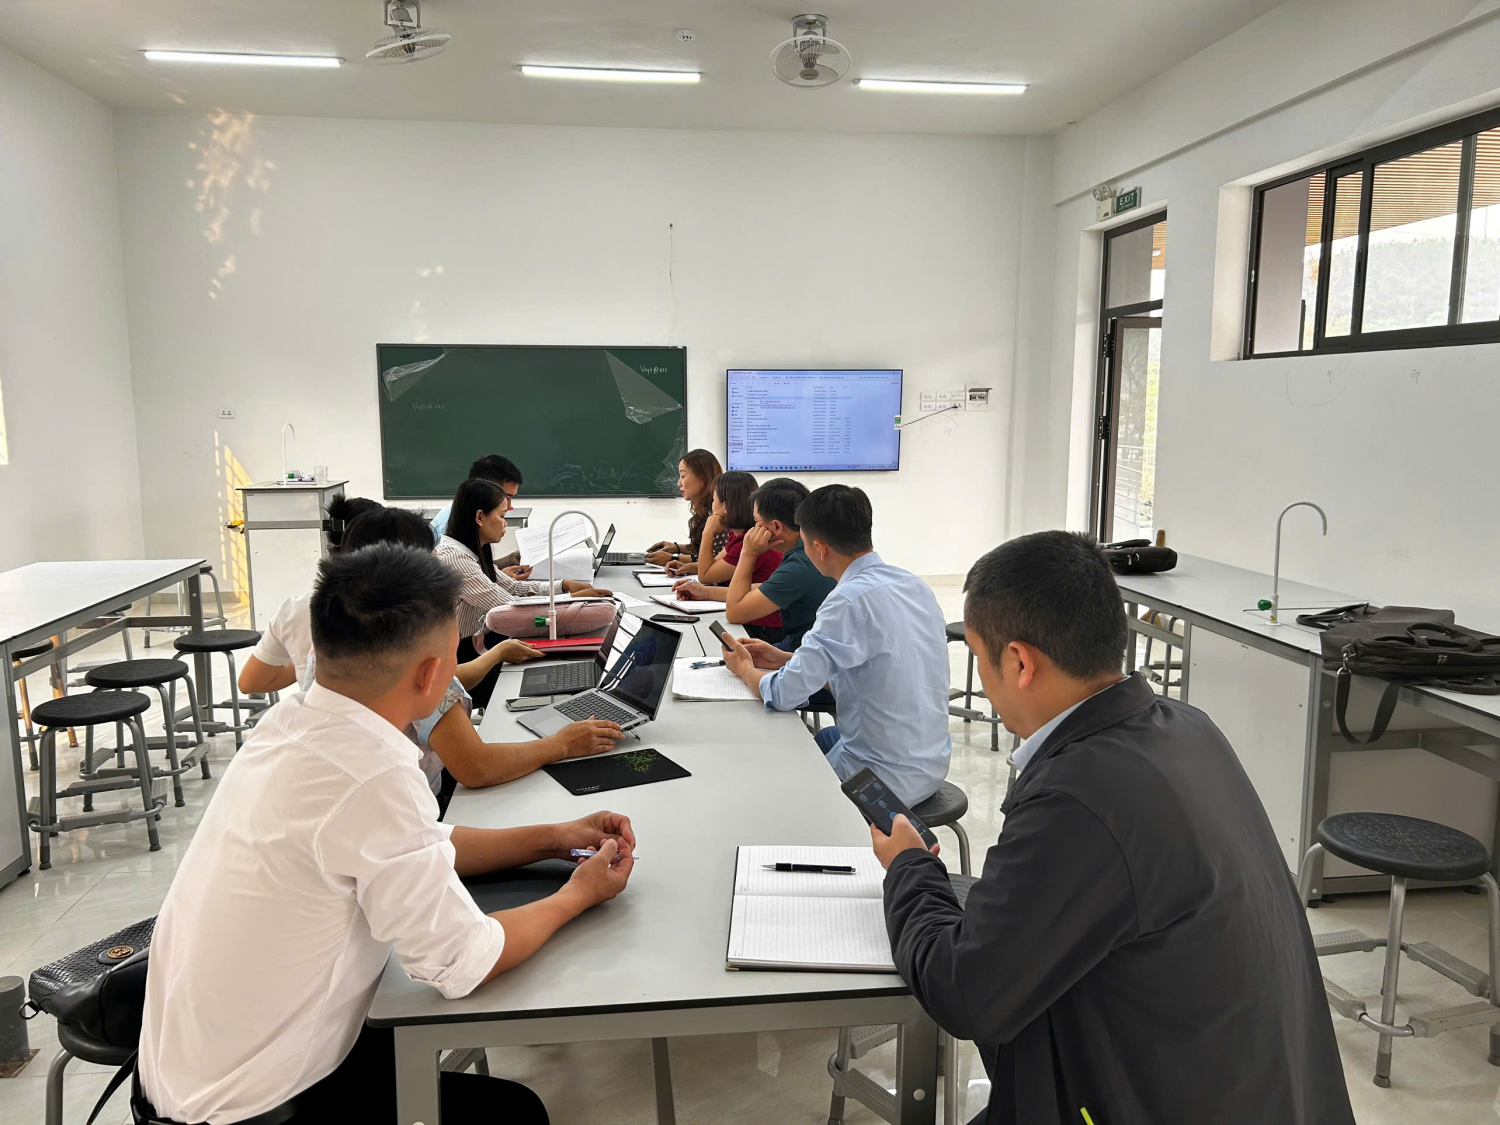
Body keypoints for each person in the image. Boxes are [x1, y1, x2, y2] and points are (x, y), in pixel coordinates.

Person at [137, 544, 636, 1125]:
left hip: (187, 1075)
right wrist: (578, 894)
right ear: (430, 676)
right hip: (255, 1105)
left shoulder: (290, 723)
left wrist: (552, 837)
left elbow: (414, 841)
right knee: (515, 1113)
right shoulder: (372, 773)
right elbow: (464, 962)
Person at [871, 531, 1355, 1125]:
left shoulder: (1078, 795)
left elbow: (968, 994)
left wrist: (910, 868)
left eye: (977, 655)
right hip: (1261, 1090)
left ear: (1020, 662)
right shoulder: (1187, 727)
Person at [270, 507, 625, 813]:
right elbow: (476, 766)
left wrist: (497, 654)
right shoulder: (412, 650)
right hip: (422, 804)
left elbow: (444, 684)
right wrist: (561, 744)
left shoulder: (335, 638)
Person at [721, 485, 950, 806]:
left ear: (819, 548)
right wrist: (786, 659)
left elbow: (784, 694)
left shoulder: (845, 600)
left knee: (768, 786)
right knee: (824, 737)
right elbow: (876, 672)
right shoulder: (913, 584)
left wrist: (744, 668)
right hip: (930, 761)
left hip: (880, 777)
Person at [240, 504, 541, 697]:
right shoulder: (399, 619)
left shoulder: (301, 607)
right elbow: (442, 686)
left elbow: (251, 682)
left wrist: (308, 670)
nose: (436, 561)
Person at [437, 477, 610, 705]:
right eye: (502, 516)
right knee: (543, 670)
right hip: (462, 657)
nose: (505, 524)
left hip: (478, 641)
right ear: (480, 517)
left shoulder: (472, 550)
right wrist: (571, 599)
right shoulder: (455, 558)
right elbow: (507, 605)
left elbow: (514, 587)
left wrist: (563, 585)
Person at [670, 471, 785, 642]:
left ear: (725, 506)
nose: (711, 506)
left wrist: (708, 532)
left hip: (762, 628)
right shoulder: (737, 535)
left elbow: (706, 575)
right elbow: (714, 565)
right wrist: (691, 573)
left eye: (713, 500)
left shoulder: (751, 542)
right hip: (750, 619)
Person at [719, 479, 832, 651]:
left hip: (804, 652)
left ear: (776, 526)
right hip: (806, 645)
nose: (753, 528)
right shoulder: (812, 546)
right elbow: (766, 587)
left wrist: (748, 553)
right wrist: (704, 592)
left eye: (757, 522)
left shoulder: (799, 565)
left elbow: (734, 613)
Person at [644, 448, 722, 567]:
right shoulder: (704, 510)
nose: (678, 483)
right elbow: (702, 549)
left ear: (702, 480)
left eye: (683, 476)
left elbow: (716, 559)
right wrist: (677, 548)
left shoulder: (718, 513)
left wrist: (674, 558)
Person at [429, 453, 524, 546]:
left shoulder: (466, 512)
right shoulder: (452, 526)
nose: (509, 506)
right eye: (506, 497)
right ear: (484, 487)